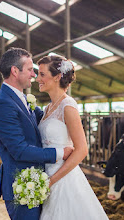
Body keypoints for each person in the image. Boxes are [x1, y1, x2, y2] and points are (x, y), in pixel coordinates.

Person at [0, 48, 73, 220]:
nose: (34, 75)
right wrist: (60, 153)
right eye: (29, 70)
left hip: (41, 181)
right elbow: (19, 150)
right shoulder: (2, 104)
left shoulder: (23, 99)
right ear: (14, 71)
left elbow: (47, 123)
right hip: (23, 185)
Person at [36, 55, 108, 220]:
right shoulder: (47, 108)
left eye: (42, 74)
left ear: (57, 77)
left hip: (63, 178)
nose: (37, 79)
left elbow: (82, 149)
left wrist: (52, 180)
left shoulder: (68, 105)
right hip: (46, 175)